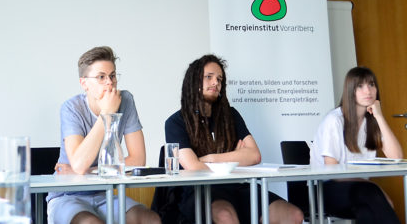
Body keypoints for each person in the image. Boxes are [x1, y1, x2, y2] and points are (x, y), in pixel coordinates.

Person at [164, 54, 303, 224]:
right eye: (209, 77)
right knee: (225, 216)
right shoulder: (175, 122)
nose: (216, 83)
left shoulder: (231, 115)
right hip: (200, 191)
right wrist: (235, 158)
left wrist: (210, 158)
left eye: (219, 79)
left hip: (239, 186)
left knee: (293, 215)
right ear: (193, 82)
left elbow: (254, 156)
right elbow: (194, 167)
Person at [46, 46, 160, 224]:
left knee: (150, 219)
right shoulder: (71, 108)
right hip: (67, 195)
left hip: (104, 193)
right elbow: (79, 164)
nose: (110, 82)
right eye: (101, 77)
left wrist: (91, 171)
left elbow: (138, 159)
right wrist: (106, 114)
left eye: (112, 76)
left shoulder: (126, 100)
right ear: (84, 83)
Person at [309, 66, 402, 223]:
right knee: (371, 194)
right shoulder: (335, 120)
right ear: (350, 91)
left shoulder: (370, 122)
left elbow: (397, 157)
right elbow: (331, 170)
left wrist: (379, 116)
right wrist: (374, 187)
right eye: (360, 86)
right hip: (325, 189)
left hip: (359, 191)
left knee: (367, 210)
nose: (368, 91)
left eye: (371, 84)